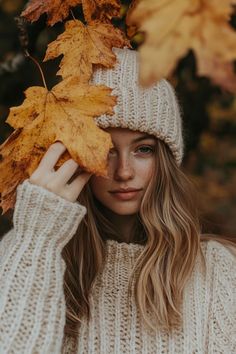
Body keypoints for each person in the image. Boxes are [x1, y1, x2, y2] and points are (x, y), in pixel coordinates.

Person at [0, 48, 235, 354]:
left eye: (144, 150)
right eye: (106, 148)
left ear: (165, 160)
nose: (124, 171)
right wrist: (39, 238)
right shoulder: (27, 251)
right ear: (74, 157)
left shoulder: (218, 269)